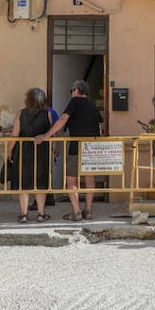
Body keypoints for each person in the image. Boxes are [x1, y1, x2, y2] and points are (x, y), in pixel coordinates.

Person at [36, 79, 102, 222]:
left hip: (77, 146)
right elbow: (100, 123)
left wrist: (46, 135)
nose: (72, 93)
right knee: (90, 179)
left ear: (77, 90)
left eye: (72, 90)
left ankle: (77, 211)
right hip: (92, 147)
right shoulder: (92, 105)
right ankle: (88, 211)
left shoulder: (75, 102)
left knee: (71, 180)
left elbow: (63, 119)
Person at [8, 87, 52, 223]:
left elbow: (15, 135)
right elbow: (51, 133)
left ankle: (24, 215)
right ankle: (41, 214)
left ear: (28, 99)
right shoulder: (47, 114)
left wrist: (9, 151)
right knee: (40, 183)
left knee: (23, 183)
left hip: (23, 151)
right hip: (41, 152)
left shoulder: (21, 114)